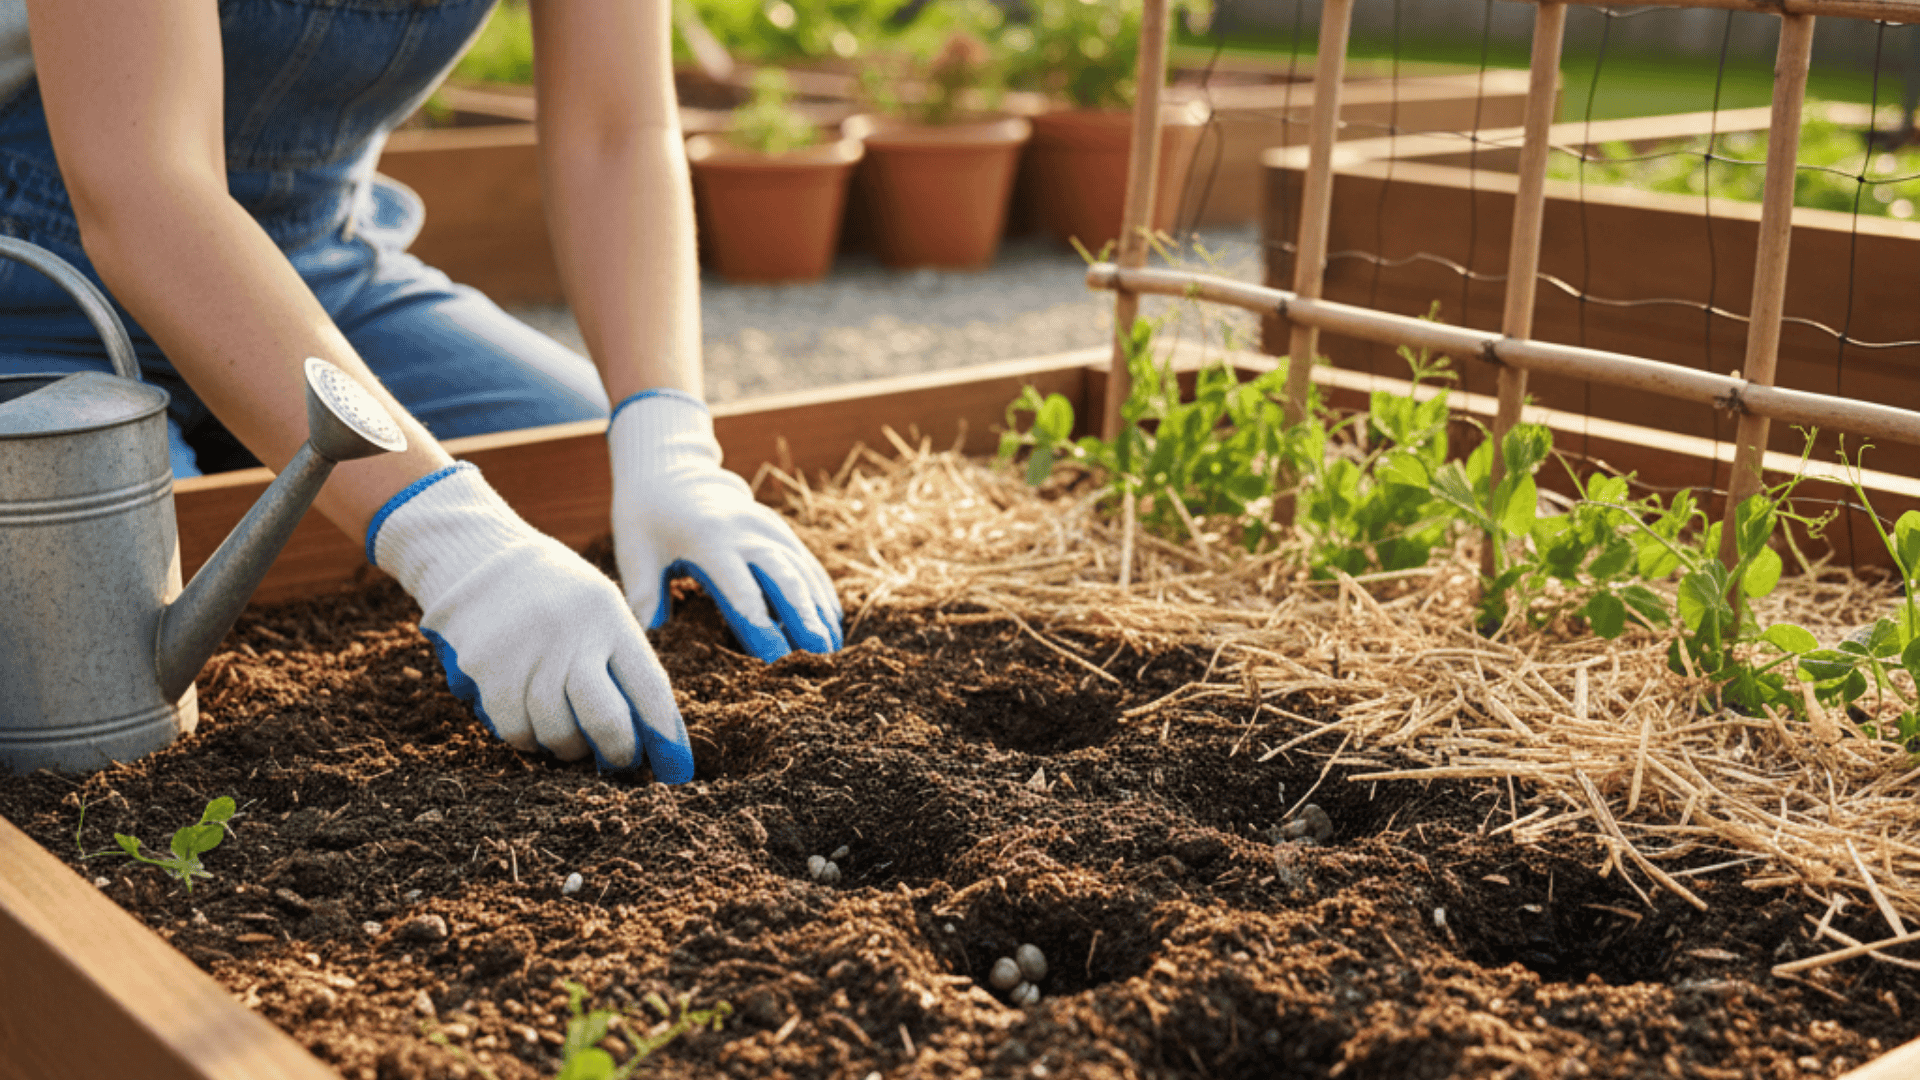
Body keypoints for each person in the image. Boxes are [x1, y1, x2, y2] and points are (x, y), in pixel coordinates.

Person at [3, 1, 843, 781]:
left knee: (571, 470)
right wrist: (448, 539)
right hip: (39, 280)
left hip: (318, 267)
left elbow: (616, 130)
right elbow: (141, 184)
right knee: (81, 665)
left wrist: (668, 436)